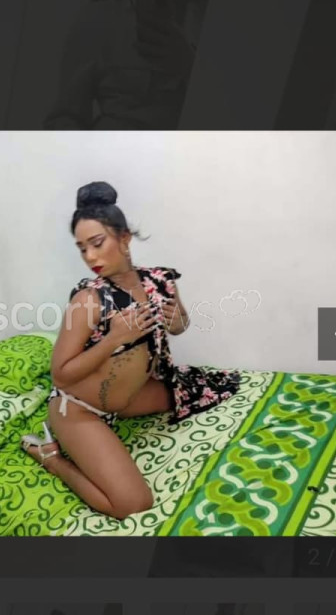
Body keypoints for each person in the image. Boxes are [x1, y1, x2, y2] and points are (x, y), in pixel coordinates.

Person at [21, 181, 240, 519]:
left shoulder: (160, 281)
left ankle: (109, 423)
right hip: (78, 408)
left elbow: (179, 325)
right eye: (82, 248)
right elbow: (60, 375)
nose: (90, 257)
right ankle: (50, 457)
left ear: (124, 238)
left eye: (97, 243)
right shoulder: (89, 299)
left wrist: (178, 321)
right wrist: (113, 339)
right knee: (132, 503)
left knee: (210, 388)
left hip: (128, 399)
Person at [44, 0, 211, 130]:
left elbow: (221, 111)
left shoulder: (209, 23)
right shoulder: (97, 21)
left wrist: (191, 66)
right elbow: (65, 117)